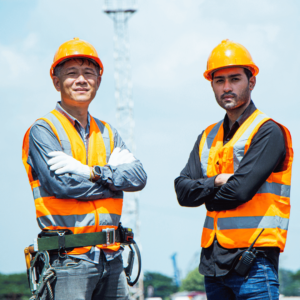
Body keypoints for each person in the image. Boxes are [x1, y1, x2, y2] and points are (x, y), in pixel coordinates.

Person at [22, 37, 147, 299]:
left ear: (98, 81)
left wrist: (92, 172)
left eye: (89, 73)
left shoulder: (108, 132)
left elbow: (138, 177)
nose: (81, 80)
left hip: (112, 258)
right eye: (72, 73)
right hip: (68, 261)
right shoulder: (43, 130)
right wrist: (114, 184)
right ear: (57, 82)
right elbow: (63, 185)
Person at [174, 39, 293, 300]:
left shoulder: (268, 131)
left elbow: (239, 192)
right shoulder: (207, 136)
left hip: (253, 263)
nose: (227, 87)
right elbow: (182, 192)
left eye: (235, 79)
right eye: (219, 81)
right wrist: (216, 181)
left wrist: (205, 193)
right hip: (213, 266)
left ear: (251, 82)